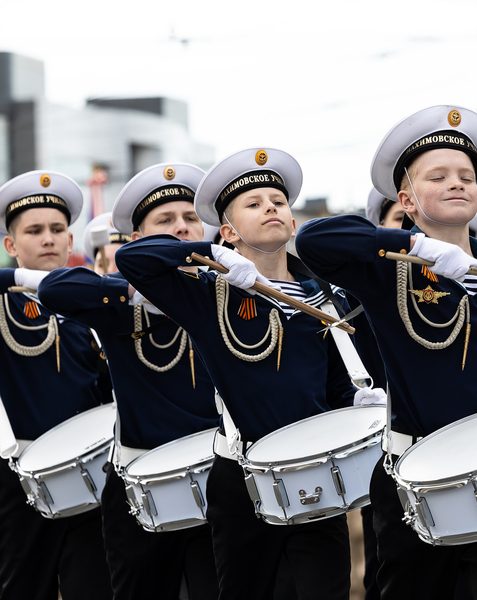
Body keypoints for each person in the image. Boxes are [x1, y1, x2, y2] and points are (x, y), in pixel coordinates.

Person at [296, 105, 477, 600]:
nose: (456, 183)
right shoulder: (385, 271)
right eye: (436, 177)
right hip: (411, 472)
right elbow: (313, 239)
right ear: (408, 199)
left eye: (466, 175)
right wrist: (414, 245)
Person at [116, 148, 356, 600]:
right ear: (228, 231)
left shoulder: (323, 299)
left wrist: (361, 404)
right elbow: (136, 260)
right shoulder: (208, 295)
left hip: (315, 472)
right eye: (254, 203)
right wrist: (208, 253)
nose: (270, 207)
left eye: (278, 201)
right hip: (241, 475)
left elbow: (338, 389)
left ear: (291, 219)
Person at [38, 163, 221, 599]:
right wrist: (137, 288)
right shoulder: (118, 302)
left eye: (190, 218)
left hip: (216, 478)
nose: (181, 228)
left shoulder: (228, 292)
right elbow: (56, 291)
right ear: (136, 241)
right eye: (165, 221)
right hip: (141, 486)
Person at [0, 170, 113, 600]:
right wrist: (17, 280)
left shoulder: (93, 307)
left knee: (96, 587)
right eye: (34, 231)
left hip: (92, 473)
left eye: (57, 229)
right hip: (18, 476)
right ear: (11, 246)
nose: (48, 238)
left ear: (71, 241)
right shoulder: (5, 302)